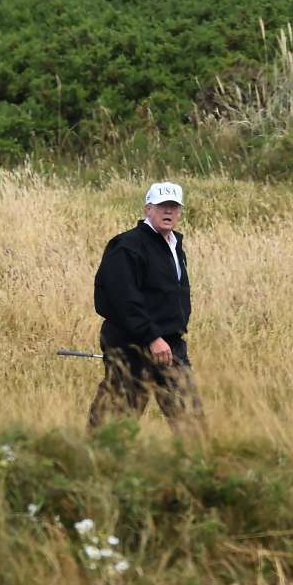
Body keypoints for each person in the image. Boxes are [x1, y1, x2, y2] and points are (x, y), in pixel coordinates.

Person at [88, 182, 203, 433]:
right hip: (132, 343)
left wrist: (168, 337)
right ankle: (98, 462)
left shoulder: (174, 245)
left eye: (174, 206)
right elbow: (123, 299)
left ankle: (196, 466)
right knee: (118, 415)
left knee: (188, 416)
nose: (168, 211)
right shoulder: (127, 246)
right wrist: (151, 336)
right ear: (147, 208)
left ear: (180, 211)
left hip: (170, 344)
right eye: (162, 205)